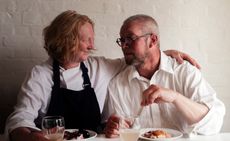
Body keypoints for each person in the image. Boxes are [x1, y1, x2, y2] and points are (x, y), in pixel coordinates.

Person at [4, 10, 200, 141]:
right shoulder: (40, 74)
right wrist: (31, 138)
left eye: (92, 39)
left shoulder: (98, 67)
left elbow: (139, 57)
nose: (92, 45)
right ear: (66, 40)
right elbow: (19, 119)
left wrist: (164, 53)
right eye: (86, 39)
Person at [104, 14, 225, 138]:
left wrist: (175, 98)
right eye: (122, 40)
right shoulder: (117, 85)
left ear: (153, 40)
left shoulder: (185, 72)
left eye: (130, 38)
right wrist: (115, 129)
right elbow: (120, 134)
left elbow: (214, 124)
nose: (124, 46)